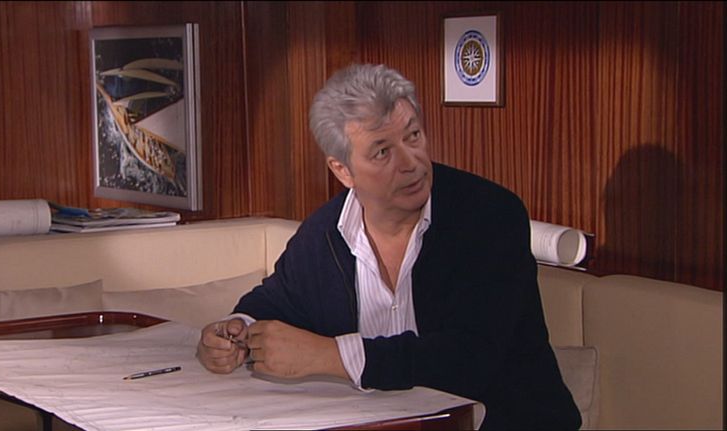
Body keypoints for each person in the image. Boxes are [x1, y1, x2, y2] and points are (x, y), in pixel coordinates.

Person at [196, 63, 581, 429]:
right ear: (342, 170)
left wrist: (331, 357)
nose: (411, 162)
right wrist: (235, 331)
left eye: (413, 136)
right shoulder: (325, 233)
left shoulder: (488, 217)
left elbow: (469, 358)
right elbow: (275, 301)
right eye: (382, 151)